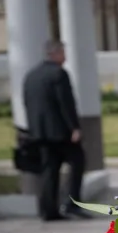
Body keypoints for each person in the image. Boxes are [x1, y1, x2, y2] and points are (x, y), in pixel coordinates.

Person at [23, 40, 85, 222]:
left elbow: (27, 103)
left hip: (40, 133)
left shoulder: (31, 75)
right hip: (61, 134)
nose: (65, 56)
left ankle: (48, 210)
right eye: (63, 52)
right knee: (78, 161)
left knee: (49, 171)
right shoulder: (59, 74)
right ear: (55, 54)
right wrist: (74, 127)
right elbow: (65, 103)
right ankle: (72, 203)